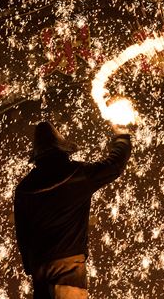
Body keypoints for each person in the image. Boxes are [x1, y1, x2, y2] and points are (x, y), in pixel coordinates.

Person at [13, 121, 132, 299]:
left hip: (40, 267)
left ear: (37, 156)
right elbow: (114, 166)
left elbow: (22, 233)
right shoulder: (78, 174)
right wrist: (122, 137)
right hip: (68, 268)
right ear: (63, 150)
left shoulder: (24, 188)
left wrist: (31, 267)